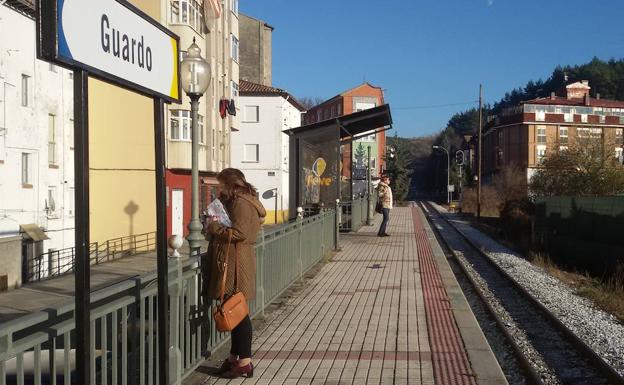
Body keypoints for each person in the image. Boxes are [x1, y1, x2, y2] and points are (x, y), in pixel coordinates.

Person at [202, 168, 266, 378]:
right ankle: (234, 359)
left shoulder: (241, 203)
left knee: (237, 312)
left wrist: (214, 228)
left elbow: (240, 233)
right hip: (234, 260)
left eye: (221, 184)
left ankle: (245, 362)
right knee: (235, 310)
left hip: (236, 263)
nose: (218, 187)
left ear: (231, 184)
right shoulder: (236, 200)